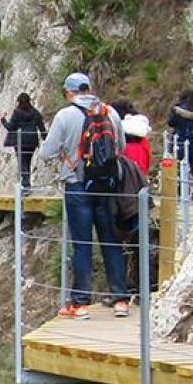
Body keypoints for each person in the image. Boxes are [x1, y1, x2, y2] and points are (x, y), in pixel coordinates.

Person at [38, 72, 129, 319]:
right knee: (110, 240)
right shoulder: (110, 112)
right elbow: (120, 146)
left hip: (78, 185)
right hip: (107, 185)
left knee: (82, 244)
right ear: (89, 88)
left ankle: (80, 304)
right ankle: (120, 299)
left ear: (69, 92)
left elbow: (47, 152)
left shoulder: (65, 115)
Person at [0, 92, 46, 191]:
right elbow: (42, 129)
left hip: (20, 141)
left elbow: (11, 127)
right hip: (32, 141)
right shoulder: (35, 112)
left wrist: (3, 120)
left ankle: (26, 185)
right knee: (28, 162)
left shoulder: (17, 113)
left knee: (23, 163)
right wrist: (46, 139)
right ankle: (27, 184)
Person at [167, 89, 193, 198]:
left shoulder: (176, 109)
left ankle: (179, 191)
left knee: (178, 166)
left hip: (180, 140)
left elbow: (171, 123)